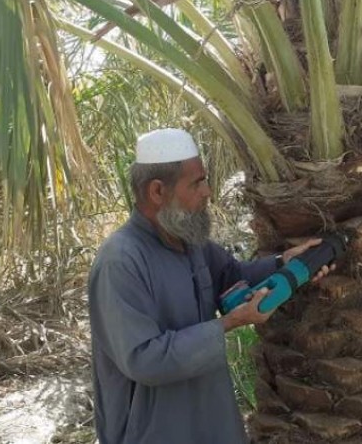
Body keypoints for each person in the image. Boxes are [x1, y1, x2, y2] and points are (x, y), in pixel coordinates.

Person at [89, 128, 333, 444]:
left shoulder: (188, 241)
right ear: (157, 191)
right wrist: (229, 323)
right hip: (153, 431)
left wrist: (283, 263)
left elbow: (233, 276)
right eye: (197, 183)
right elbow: (143, 360)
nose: (208, 192)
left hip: (210, 418)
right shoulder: (120, 261)